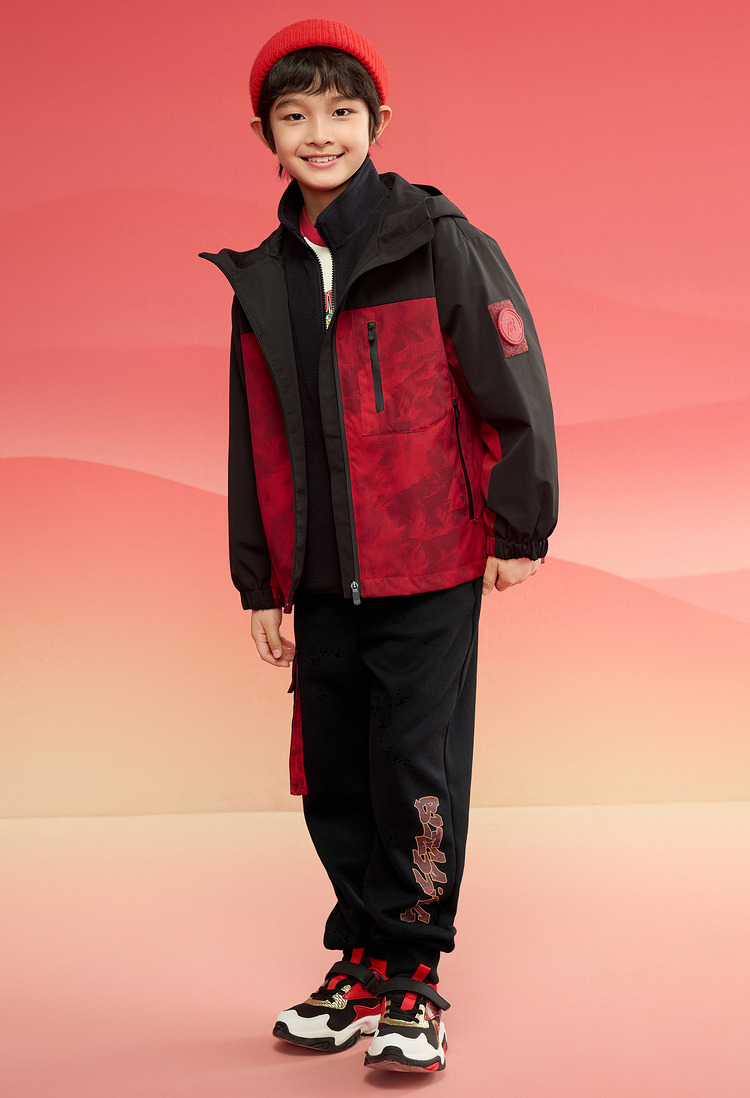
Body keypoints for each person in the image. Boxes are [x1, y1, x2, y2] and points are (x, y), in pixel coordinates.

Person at [200, 18, 557, 1074]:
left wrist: (520, 522)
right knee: (339, 774)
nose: (321, 133)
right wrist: (259, 578)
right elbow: (255, 437)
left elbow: (510, 383)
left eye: (342, 112)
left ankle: (412, 977)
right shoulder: (266, 275)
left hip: (430, 560)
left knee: (414, 767)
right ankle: (359, 962)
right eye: (295, 115)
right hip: (319, 573)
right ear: (264, 133)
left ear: (379, 121)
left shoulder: (436, 240)